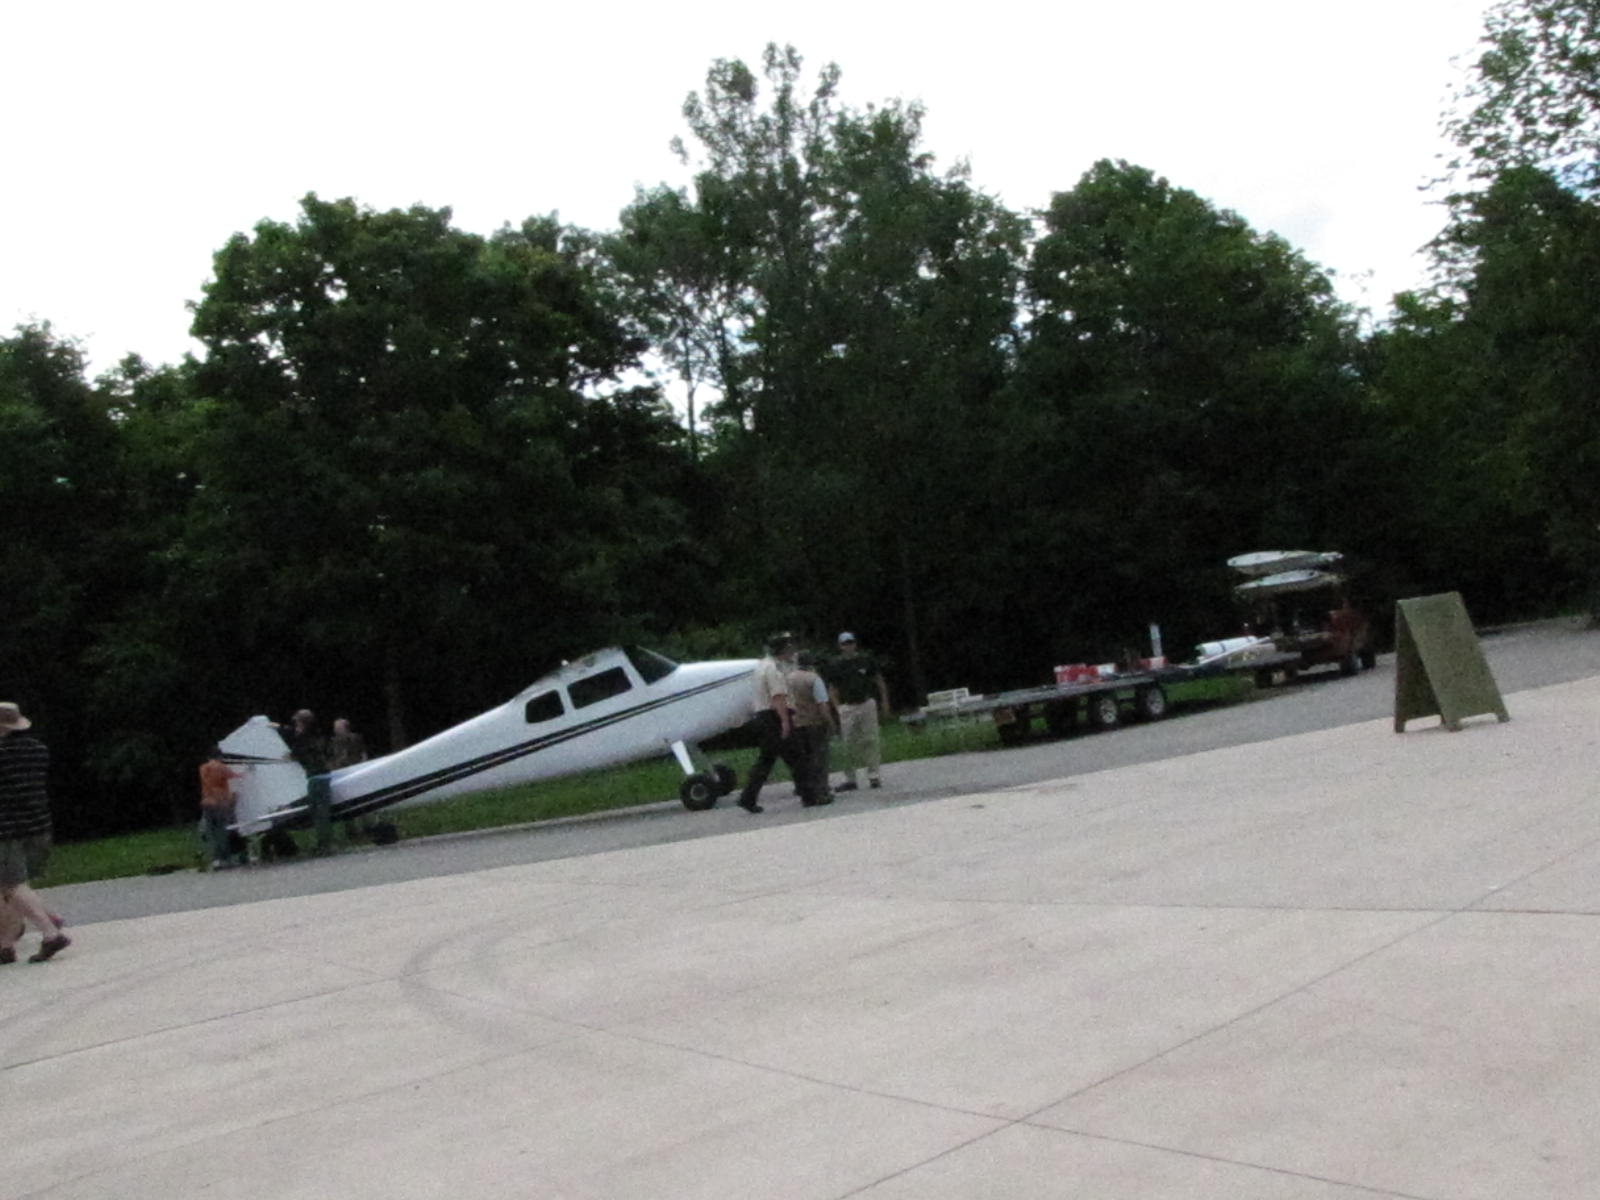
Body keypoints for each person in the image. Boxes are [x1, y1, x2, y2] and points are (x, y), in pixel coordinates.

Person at [0, 702, 70, 963]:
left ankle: (51, 933)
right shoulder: (38, 750)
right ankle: (6, 944)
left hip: (7, 829)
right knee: (14, 884)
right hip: (38, 824)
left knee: (11, 884)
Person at [735, 633, 828, 814]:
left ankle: (748, 797)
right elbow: (778, 697)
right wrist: (785, 721)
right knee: (797, 758)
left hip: (763, 716)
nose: (791, 652)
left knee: (767, 759)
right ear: (782, 650)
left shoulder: (761, 666)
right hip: (775, 716)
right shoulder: (774, 669)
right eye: (788, 648)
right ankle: (809, 796)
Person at [824, 631, 890, 791]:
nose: (848, 646)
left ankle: (874, 775)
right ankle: (850, 778)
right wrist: (838, 707)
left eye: (851, 642)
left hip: (866, 703)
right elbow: (832, 688)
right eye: (845, 643)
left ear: (855, 644)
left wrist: (884, 701)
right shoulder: (835, 665)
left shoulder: (865, 660)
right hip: (847, 706)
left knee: (871, 740)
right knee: (847, 743)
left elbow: (878, 680)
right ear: (840, 646)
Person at [786, 650, 838, 806]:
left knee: (804, 761)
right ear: (812, 664)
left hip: (796, 723)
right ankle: (821, 792)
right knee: (819, 759)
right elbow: (822, 704)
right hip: (814, 723)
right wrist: (830, 722)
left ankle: (806, 794)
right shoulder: (814, 679)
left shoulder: (788, 679)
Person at [198, 746, 243, 870]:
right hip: (219, 803)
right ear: (220, 756)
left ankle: (215, 860)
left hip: (206, 802)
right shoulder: (222, 767)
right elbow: (238, 777)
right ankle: (225, 859)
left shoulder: (203, 768)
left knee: (211, 833)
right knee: (222, 833)